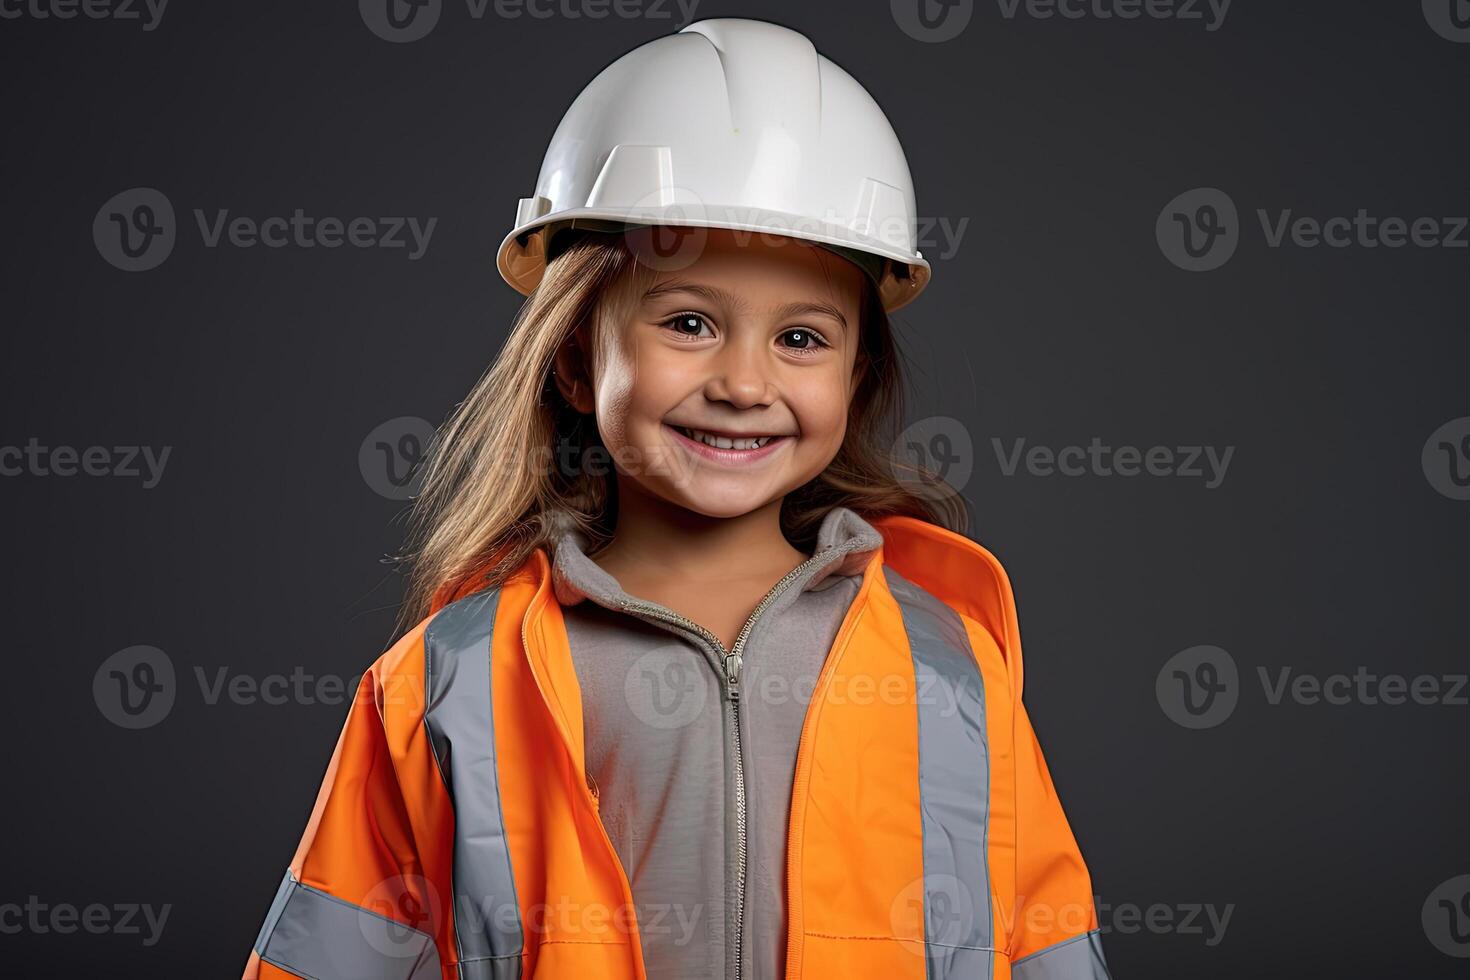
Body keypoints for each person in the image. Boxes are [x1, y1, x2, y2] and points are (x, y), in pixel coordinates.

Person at [243, 17, 1112, 980]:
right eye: (689, 322)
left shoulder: (949, 675)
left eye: (802, 339)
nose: (745, 383)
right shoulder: (452, 686)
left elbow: (1041, 947)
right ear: (576, 359)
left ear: (856, 376)